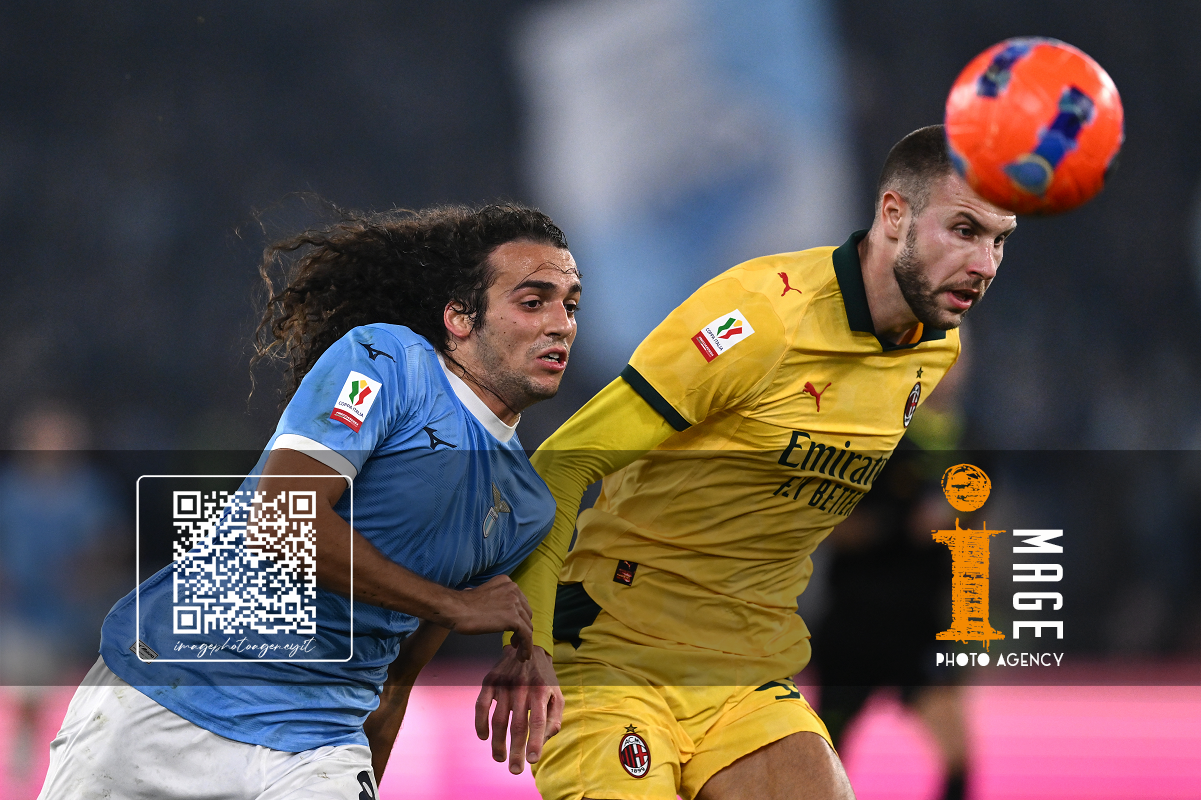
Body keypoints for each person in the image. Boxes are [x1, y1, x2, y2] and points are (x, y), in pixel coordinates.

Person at [475, 125, 1016, 799]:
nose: (985, 263)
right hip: (615, 651)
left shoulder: (935, 350)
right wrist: (526, 650)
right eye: (963, 230)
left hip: (747, 674)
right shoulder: (760, 317)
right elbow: (561, 462)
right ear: (893, 214)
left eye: (999, 240)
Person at [38, 202, 581, 799]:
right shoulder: (386, 362)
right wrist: (454, 605)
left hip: (317, 744)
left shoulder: (525, 507)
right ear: (459, 316)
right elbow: (279, 518)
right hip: (172, 691)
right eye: (534, 302)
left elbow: (396, 681)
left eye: (571, 306)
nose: (560, 324)